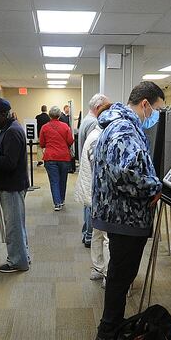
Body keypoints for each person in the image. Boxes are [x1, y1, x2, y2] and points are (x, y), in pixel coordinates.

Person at [92, 81, 165, 340]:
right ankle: (108, 330)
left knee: (120, 271)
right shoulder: (125, 130)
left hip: (118, 213)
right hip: (125, 216)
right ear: (145, 103)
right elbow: (125, 175)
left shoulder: (118, 125)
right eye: (156, 109)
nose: (155, 115)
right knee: (122, 273)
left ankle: (111, 324)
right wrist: (156, 185)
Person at [0, 98, 32, 273]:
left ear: (4, 114)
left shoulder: (11, 132)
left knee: (13, 226)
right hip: (14, 184)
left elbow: (9, 162)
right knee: (18, 223)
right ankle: (23, 255)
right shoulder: (9, 128)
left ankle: (17, 261)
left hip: (12, 186)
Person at [74, 98, 112, 285]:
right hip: (100, 194)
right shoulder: (99, 137)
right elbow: (103, 170)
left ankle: (98, 267)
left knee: (98, 232)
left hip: (93, 192)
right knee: (106, 236)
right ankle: (106, 273)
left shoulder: (94, 133)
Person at [77, 94, 109, 246]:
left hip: (87, 169)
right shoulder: (94, 123)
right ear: (98, 108)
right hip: (91, 171)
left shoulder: (86, 120)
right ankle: (89, 235)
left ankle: (86, 234)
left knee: (87, 205)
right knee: (90, 205)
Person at [39, 106, 74, 211]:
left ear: (50, 115)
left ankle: (57, 203)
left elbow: (42, 143)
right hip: (64, 156)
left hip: (50, 157)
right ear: (59, 115)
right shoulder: (65, 126)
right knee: (63, 180)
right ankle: (62, 200)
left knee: (54, 180)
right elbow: (70, 141)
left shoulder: (44, 127)